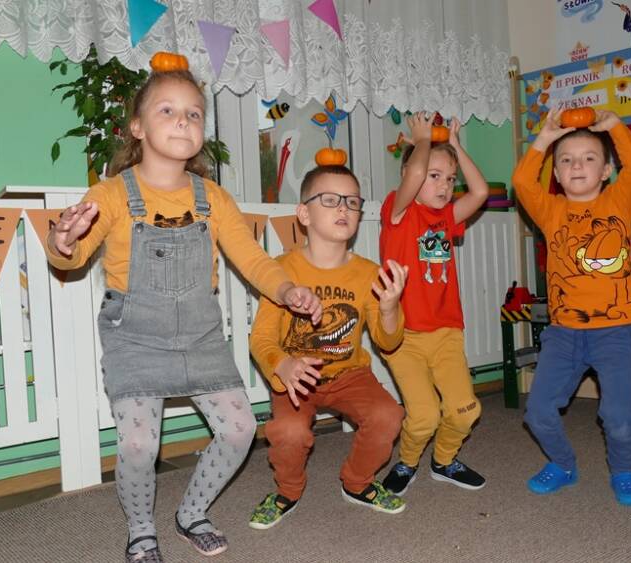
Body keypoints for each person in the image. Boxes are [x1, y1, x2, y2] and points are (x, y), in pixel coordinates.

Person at [45, 53, 321, 561]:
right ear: (137, 127)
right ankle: (140, 529)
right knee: (138, 445)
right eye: (167, 110)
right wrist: (62, 241)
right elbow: (71, 256)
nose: (182, 121)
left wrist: (287, 290)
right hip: (134, 337)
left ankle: (192, 512)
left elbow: (253, 259)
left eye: (194, 113)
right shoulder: (111, 194)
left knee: (240, 429)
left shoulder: (213, 198)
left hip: (199, 336)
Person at [247, 165, 409, 529]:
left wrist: (388, 308)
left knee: (389, 415)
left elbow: (388, 342)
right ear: (304, 214)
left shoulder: (370, 274)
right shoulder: (280, 270)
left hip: (349, 374)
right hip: (296, 379)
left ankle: (357, 483)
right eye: (331, 200)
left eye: (352, 202)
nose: (344, 209)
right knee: (289, 433)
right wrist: (282, 364)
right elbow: (261, 338)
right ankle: (287, 491)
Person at [511, 107, 631, 506]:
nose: (577, 165)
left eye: (589, 158)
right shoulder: (551, 211)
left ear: (606, 170)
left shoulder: (619, 201)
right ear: (556, 174)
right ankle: (563, 463)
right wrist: (544, 138)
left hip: (615, 330)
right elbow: (522, 181)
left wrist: (614, 127)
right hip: (564, 334)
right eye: (566, 160)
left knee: (619, 415)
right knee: (537, 411)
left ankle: (624, 471)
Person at [379, 112, 490, 495]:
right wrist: (422, 140)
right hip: (404, 336)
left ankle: (443, 461)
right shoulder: (398, 211)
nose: (444, 185)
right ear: (409, 174)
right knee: (424, 415)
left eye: (449, 178)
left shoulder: (446, 217)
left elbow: (480, 193)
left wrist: (455, 145)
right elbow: (412, 175)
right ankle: (407, 462)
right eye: (435, 175)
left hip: (446, 333)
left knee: (466, 410)